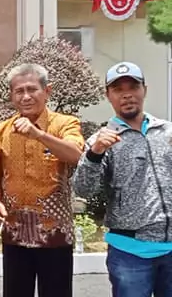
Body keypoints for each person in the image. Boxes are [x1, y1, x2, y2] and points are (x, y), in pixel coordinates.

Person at [0, 63, 84, 297]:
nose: (26, 96)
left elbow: (76, 154)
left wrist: (38, 134)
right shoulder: (1, 131)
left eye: (32, 89)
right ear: (11, 95)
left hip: (55, 236)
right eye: (19, 91)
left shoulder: (65, 124)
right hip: (14, 236)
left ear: (47, 91)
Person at [74, 62, 172, 297]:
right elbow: (83, 189)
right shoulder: (100, 141)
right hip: (129, 252)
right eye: (118, 89)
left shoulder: (167, 132)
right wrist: (95, 154)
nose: (127, 95)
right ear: (108, 95)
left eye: (133, 87)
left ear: (144, 90)